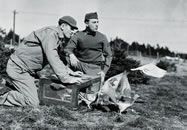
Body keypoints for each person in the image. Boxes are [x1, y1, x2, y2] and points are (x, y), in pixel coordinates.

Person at [0, 16, 83, 107]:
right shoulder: (51, 34)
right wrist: (66, 78)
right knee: (33, 103)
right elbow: (53, 57)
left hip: (28, 71)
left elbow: (58, 58)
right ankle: (3, 95)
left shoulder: (58, 38)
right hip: (18, 69)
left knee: (41, 95)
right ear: (63, 26)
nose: (73, 31)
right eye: (72, 28)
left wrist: (70, 72)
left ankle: (13, 88)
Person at [64, 12, 112, 100]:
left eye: (97, 22)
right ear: (86, 23)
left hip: (94, 68)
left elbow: (109, 55)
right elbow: (67, 49)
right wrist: (71, 54)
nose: (97, 25)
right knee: (70, 93)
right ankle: (67, 75)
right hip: (79, 65)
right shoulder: (78, 35)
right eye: (94, 22)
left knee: (91, 98)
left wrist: (104, 71)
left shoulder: (102, 37)